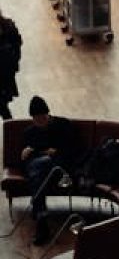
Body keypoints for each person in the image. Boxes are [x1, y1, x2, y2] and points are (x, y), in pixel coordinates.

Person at [22, 96, 78, 246]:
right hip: (39, 169)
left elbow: (72, 150)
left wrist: (38, 151)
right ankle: (41, 219)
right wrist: (27, 153)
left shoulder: (63, 125)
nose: (40, 122)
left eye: (42, 118)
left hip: (58, 167)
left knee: (39, 168)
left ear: (48, 114)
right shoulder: (29, 132)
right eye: (36, 119)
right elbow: (24, 162)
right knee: (36, 171)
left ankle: (40, 217)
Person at [0, 11, 21, 120]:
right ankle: (10, 127)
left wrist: (14, 62)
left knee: (3, 105)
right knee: (3, 106)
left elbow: (17, 44)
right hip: (6, 72)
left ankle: (10, 128)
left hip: (5, 73)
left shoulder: (8, 26)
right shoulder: (8, 26)